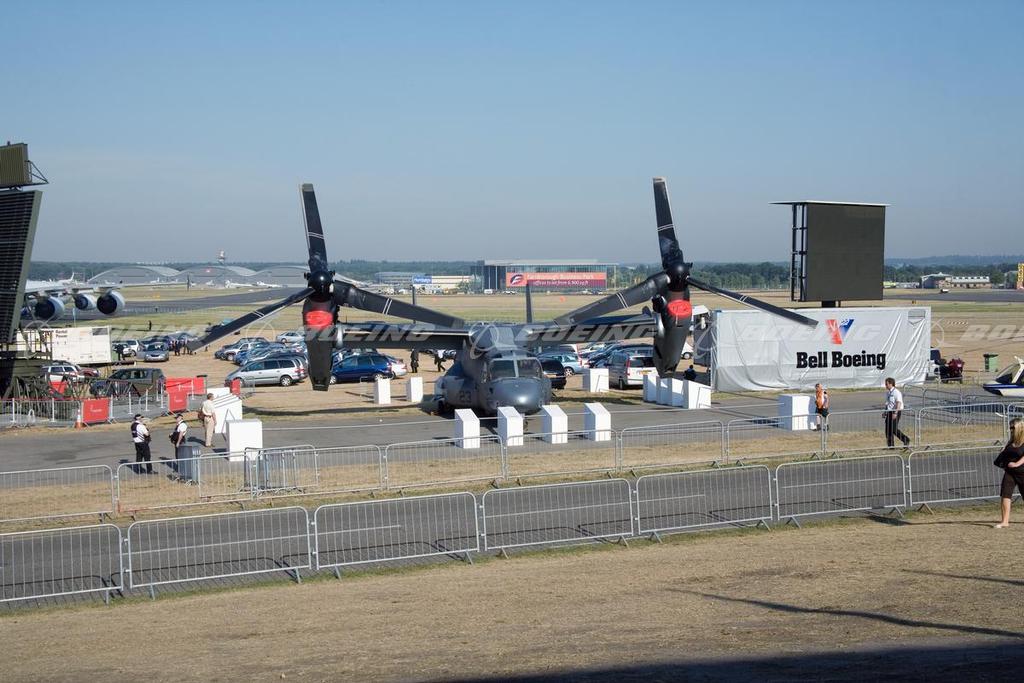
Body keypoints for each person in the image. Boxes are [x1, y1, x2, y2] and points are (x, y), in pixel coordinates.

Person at [994, 418, 1024, 528]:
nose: (1010, 429)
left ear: (1019, 428)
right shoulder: (1011, 441)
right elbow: (1007, 453)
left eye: (1012, 427)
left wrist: (1016, 464)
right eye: (1010, 427)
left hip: (1022, 472)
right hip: (1010, 472)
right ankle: (1005, 521)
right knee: (1005, 495)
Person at [883, 377, 910, 448]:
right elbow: (888, 403)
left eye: (886, 384)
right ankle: (891, 446)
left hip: (895, 412)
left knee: (894, 429)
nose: (885, 385)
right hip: (889, 412)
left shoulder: (896, 392)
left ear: (891, 384)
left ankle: (906, 440)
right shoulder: (888, 392)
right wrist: (885, 412)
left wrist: (895, 413)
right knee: (888, 429)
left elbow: (899, 403)